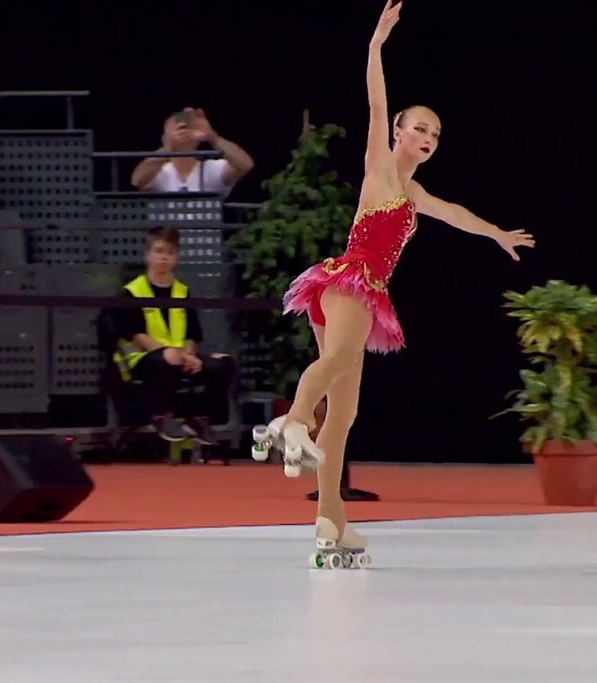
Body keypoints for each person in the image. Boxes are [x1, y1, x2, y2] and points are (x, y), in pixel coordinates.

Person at [254, 0, 535, 568]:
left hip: (364, 288)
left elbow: (454, 212)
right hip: (350, 280)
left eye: (435, 132)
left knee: (349, 411)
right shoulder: (380, 168)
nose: (428, 136)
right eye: (420, 127)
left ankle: (330, 518)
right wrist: (377, 46)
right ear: (400, 133)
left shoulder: (414, 195)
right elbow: (375, 100)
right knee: (337, 362)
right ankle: (291, 422)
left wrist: (496, 233)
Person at [112, 225, 236, 443]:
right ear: (148, 255)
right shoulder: (132, 291)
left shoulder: (182, 290)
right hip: (143, 360)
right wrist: (170, 353)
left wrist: (189, 355)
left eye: (170, 253)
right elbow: (136, 335)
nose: (164, 258)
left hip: (179, 357)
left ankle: (198, 418)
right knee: (167, 359)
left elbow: (191, 334)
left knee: (223, 363)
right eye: (159, 252)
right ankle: (161, 416)